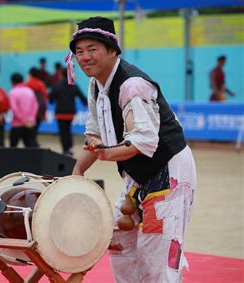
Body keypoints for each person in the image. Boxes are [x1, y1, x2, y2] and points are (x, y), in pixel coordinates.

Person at [67, 17, 197, 282]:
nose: (84, 57)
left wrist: (107, 152)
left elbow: (143, 141)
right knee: (119, 239)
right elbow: (95, 136)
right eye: (79, 51)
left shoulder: (132, 85)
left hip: (167, 172)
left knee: (156, 255)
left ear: (112, 49)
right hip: (137, 178)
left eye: (92, 49)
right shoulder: (96, 86)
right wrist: (77, 172)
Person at [49, 68, 87, 156]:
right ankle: (70, 148)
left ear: (61, 75)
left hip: (60, 113)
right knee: (68, 130)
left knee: (63, 132)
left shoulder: (57, 85)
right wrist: (85, 103)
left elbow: (50, 98)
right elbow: (82, 97)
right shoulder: (73, 85)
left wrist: (52, 100)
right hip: (70, 113)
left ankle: (65, 150)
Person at [9, 73, 38, 148]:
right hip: (30, 125)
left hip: (17, 125)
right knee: (30, 149)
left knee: (12, 149)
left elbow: (14, 109)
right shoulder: (30, 91)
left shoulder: (13, 92)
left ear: (12, 82)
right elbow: (35, 106)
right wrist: (31, 120)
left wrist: (23, 121)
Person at [26, 67, 48, 146]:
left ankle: (32, 145)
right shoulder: (41, 84)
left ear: (30, 74)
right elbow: (45, 99)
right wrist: (44, 113)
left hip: (29, 112)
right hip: (39, 111)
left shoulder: (27, 84)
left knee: (29, 131)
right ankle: (34, 144)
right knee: (34, 130)